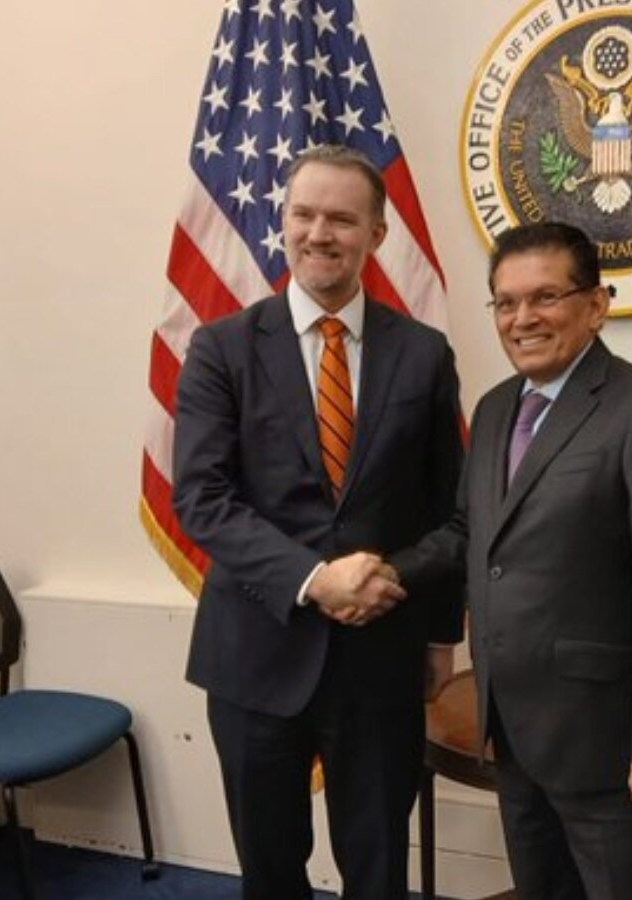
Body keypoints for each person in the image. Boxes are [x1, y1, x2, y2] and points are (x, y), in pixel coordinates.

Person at [392, 221, 632, 899]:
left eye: (545, 297)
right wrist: (387, 572)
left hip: (614, 748)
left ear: (596, 305)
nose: (523, 319)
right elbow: (472, 531)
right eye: (506, 302)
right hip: (517, 739)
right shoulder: (495, 411)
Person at [172, 144, 463, 900]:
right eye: (303, 214)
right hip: (255, 655)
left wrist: (439, 633)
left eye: (341, 218)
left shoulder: (424, 354)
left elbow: (447, 508)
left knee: (378, 867)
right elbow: (202, 498)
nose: (319, 233)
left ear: (377, 233)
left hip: (382, 657)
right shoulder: (221, 349)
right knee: (270, 872)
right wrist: (314, 580)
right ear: (283, 221)